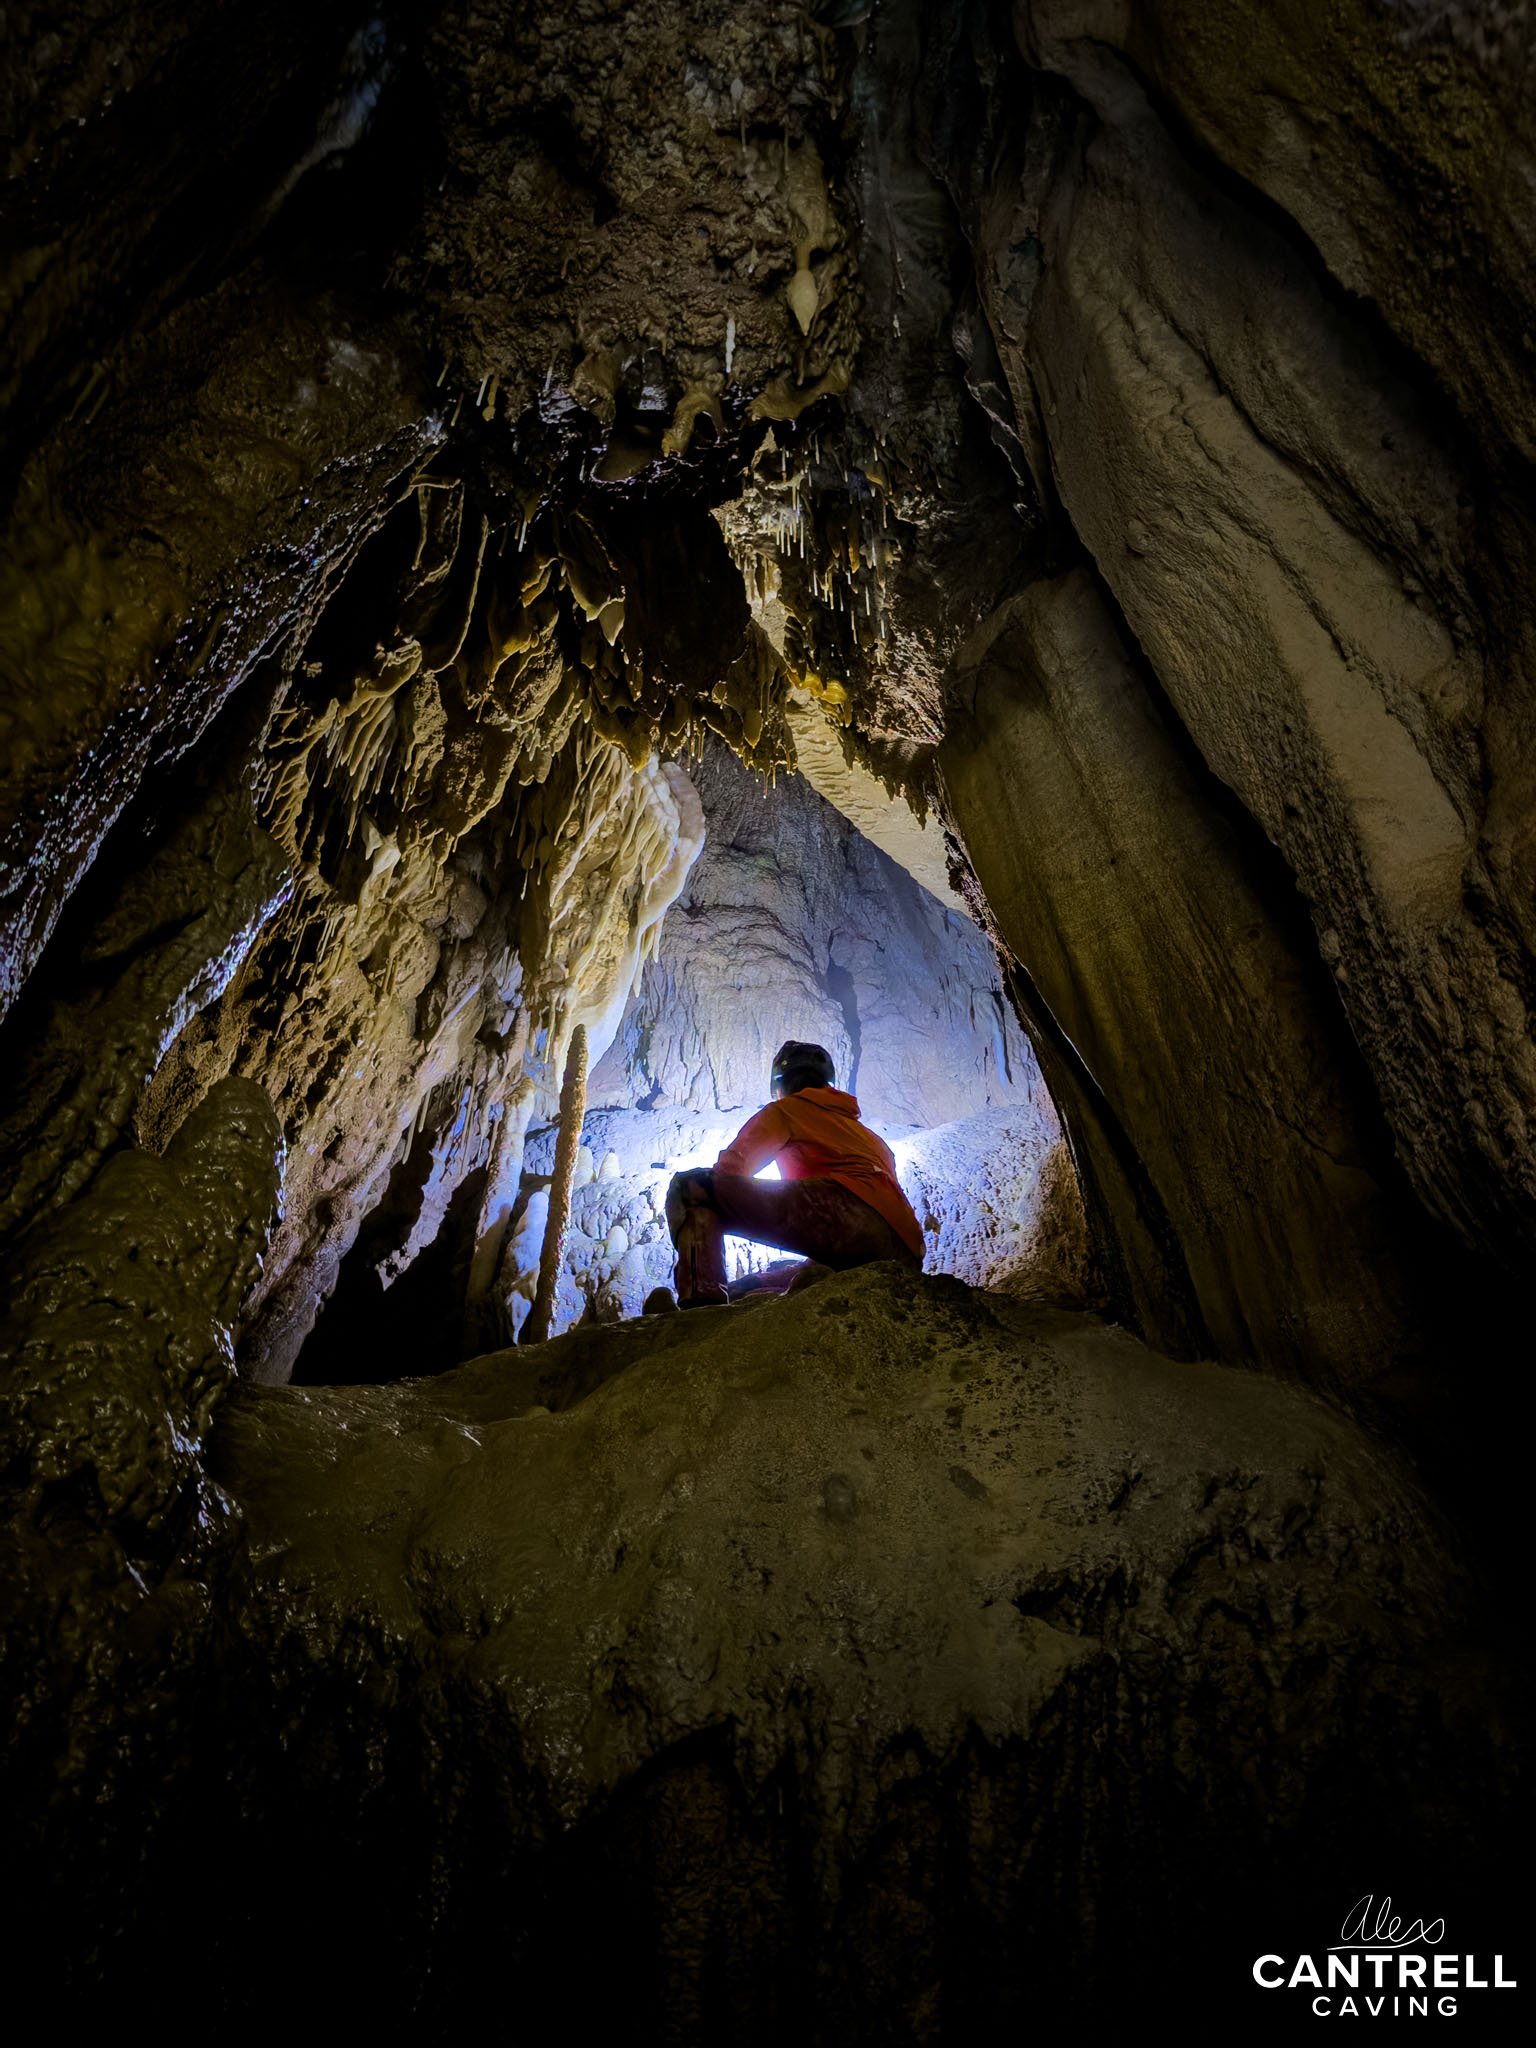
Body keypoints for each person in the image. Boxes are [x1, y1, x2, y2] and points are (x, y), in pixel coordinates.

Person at [654, 1040, 924, 1309]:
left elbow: (730, 1171)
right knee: (787, 1275)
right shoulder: (872, 1138)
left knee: (690, 1188)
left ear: (780, 1086)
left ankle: (701, 1302)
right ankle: (744, 1293)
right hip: (904, 1252)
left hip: (846, 1216)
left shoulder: (787, 1110)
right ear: (828, 1082)